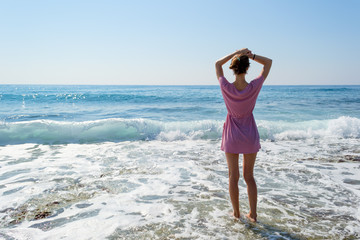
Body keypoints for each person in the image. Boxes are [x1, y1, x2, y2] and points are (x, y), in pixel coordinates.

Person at [215, 48, 272, 222]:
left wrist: (235, 53)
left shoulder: (226, 87)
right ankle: (253, 214)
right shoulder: (254, 86)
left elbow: (217, 64)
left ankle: (237, 214)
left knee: (233, 177)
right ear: (247, 68)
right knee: (249, 177)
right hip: (249, 135)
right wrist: (251, 55)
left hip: (232, 134)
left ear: (232, 68)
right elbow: (268, 63)